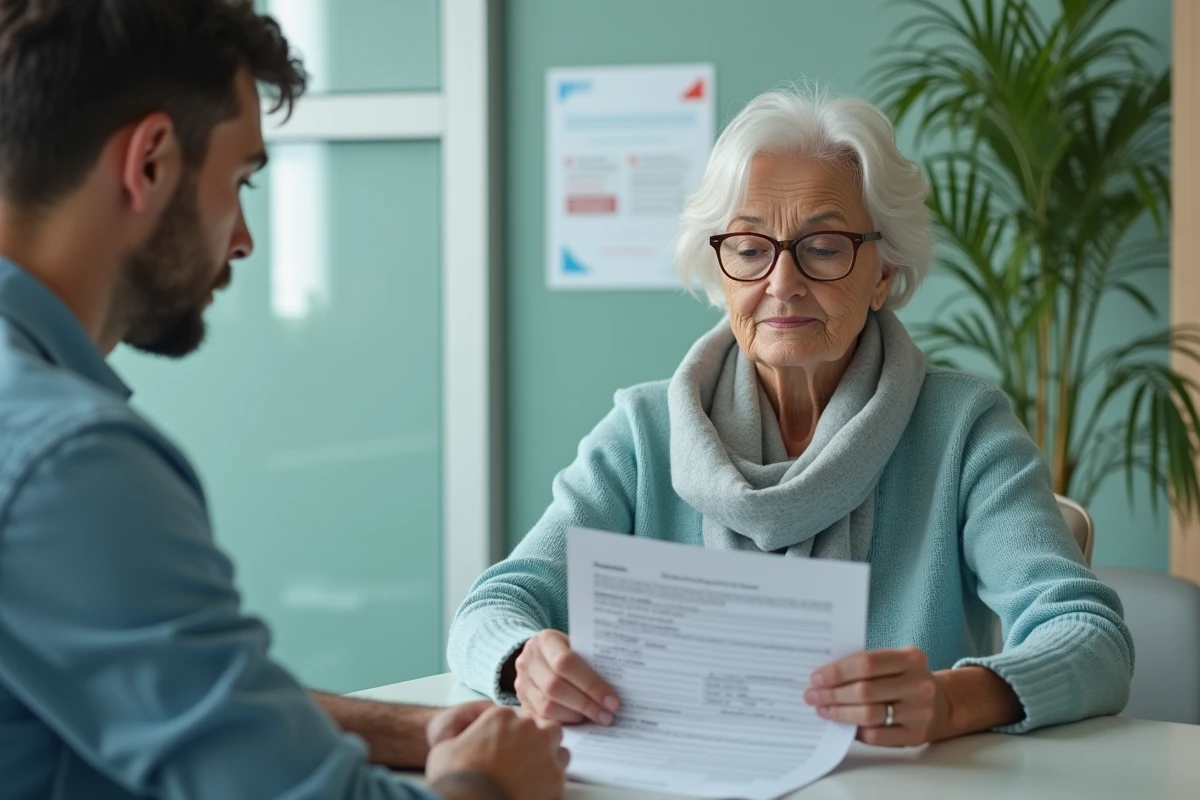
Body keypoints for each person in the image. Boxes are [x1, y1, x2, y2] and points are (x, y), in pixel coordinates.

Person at [447, 88, 1135, 747]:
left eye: (825, 246)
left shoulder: (963, 429)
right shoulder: (643, 432)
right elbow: (494, 606)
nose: (781, 282)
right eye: (749, 249)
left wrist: (953, 700)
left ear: (885, 275)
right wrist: (523, 660)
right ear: (721, 274)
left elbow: (1090, 635)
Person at [0, 2, 567, 799]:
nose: (242, 239)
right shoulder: (68, 461)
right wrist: (489, 783)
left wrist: (408, 731)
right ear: (151, 161)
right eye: (238, 180)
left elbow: (176, 688)